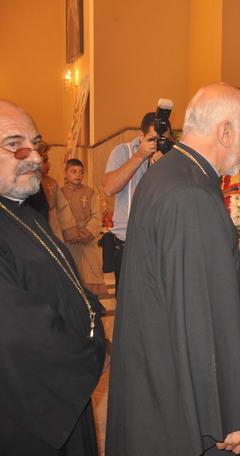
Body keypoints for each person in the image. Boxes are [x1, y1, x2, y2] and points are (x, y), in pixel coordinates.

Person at [106, 83, 240, 456]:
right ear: (225, 131)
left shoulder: (168, 173)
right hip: (193, 404)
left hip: (161, 376)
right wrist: (234, 413)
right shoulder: (191, 195)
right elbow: (200, 315)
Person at [0, 100, 106, 455]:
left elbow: (63, 281)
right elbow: (15, 332)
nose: (34, 157)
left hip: (64, 394)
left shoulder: (23, 213)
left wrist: (91, 318)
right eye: (14, 144)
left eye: (37, 144)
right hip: (33, 408)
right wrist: (89, 351)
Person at [101, 112, 170, 289]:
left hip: (161, 246)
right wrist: (139, 156)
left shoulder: (171, 156)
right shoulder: (123, 151)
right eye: (153, 139)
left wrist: (165, 167)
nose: (158, 144)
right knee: (128, 302)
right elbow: (108, 188)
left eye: (163, 139)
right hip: (128, 245)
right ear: (141, 136)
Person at [57, 158, 107, 296]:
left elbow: (97, 216)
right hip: (69, 242)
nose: (78, 175)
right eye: (73, 171)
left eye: (81, 172)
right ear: (65, 173)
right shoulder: (59, 193)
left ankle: (92, 306)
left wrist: (88, 232)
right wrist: (70, 233)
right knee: (71, 276)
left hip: (88, 241)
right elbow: (57, 217)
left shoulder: (90, 193)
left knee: (92, 276)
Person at [25, 143, 64, 240]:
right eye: (45, 160)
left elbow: (62, 207)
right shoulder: (25, 184)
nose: (49, 165)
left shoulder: (47, 182)